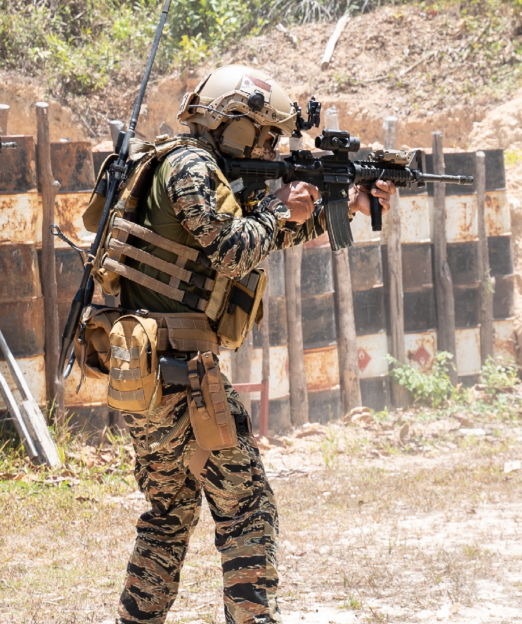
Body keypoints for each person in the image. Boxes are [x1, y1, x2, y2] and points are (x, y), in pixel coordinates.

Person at [80, 65, 396, 624]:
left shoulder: (174, 162)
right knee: (247, 510)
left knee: (169, 513)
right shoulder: (192, 167)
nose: (273, 145)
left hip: (146, 368)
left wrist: (344, 206)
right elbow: (233, 248)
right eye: (267, 134)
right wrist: (279, 206)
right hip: (180, 371)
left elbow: (256, 236)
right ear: (237, 126)